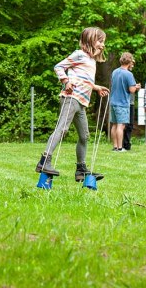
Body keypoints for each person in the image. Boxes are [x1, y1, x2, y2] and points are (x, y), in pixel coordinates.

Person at [35, 27, 110, 182]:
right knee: (62, 129)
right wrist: (66, 81)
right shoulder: (79, 54)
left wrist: (96, 88)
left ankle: (81, 170)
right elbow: (59, 67)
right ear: (90, 40)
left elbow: (84, 79)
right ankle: (44, 161)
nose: (102, 45)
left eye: (103, 42)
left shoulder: (91, 60)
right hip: (71, 98)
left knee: (84, 136)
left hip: (81, 103)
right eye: (100, 41)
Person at [109, 52, 141, 151]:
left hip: (113, 101)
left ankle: (114, 146)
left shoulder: (114, 72)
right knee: (121, 125)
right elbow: (131, 90)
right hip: (122, 103)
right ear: (129, 61)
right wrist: (136, 87)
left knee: (114, 124)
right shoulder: (128, 74)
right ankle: (119, 148)